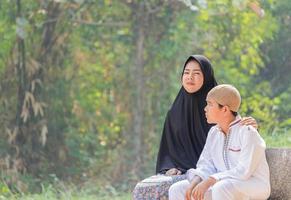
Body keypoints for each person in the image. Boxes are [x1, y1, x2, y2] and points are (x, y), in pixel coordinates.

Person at [156, 55, 257, 176]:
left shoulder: (220, 107)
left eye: (197, 73)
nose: (190, 77)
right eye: (186, 73)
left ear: (207, 76)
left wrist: (251, 126)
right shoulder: (174, 113)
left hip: (218, 173)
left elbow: (236, 135)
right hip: (183, 173)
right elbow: (167, 152)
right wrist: (169, 168)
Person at [169, 84, 270, 200]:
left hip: (253, 185)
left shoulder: (247, 132)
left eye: (210, 104)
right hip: (222, 184)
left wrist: (210, 180)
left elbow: (243, 171)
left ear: (225, 109)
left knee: (221, 187)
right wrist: (195, 181)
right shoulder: (213, 133)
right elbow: (206, 164)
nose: (205, 108)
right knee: (178, 189)